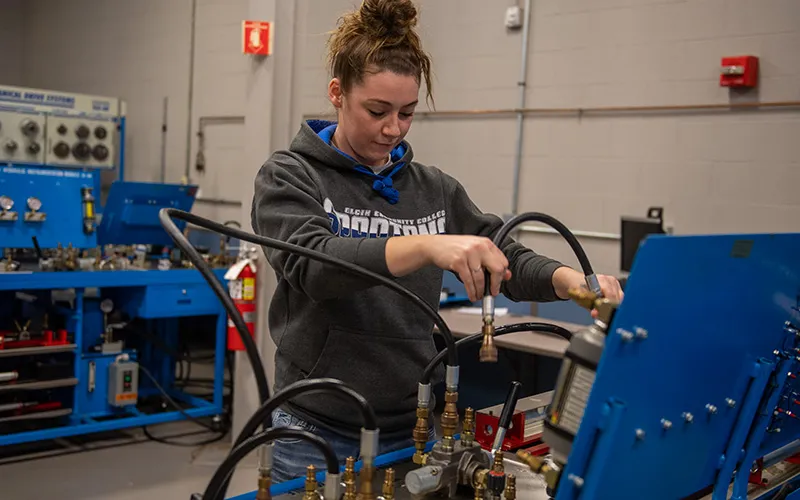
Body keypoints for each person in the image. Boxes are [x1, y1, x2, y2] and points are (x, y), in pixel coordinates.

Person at [251, 0, 623, 482]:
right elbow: (315, 265)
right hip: (314, 429)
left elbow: (502, 252)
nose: (393, 128)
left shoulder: (434, 189)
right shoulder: (290, 176)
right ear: (337, 93)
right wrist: (427, 245)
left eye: (407, 113)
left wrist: (572, 282)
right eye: (377, 110)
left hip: (413, 426)